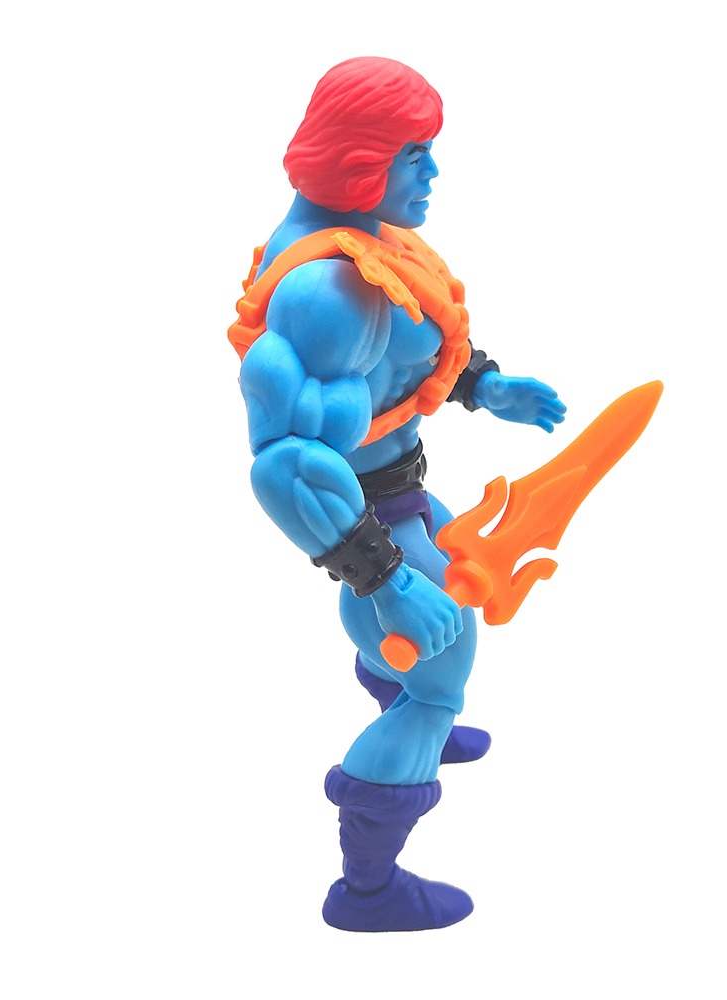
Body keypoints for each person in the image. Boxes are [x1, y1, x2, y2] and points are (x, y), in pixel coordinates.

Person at [228, 56, 566, 932]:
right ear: (360, 163)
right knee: (441, 674)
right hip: (369, 518)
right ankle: (370, 887)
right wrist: (384, 580)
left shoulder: (367, 239)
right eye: (415, 155)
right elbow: (286, 465)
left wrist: (482, 386)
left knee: (455, 600)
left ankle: (405, 698)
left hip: (403, 495)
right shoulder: (329, 291)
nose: (433, 173)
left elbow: (400, 354)